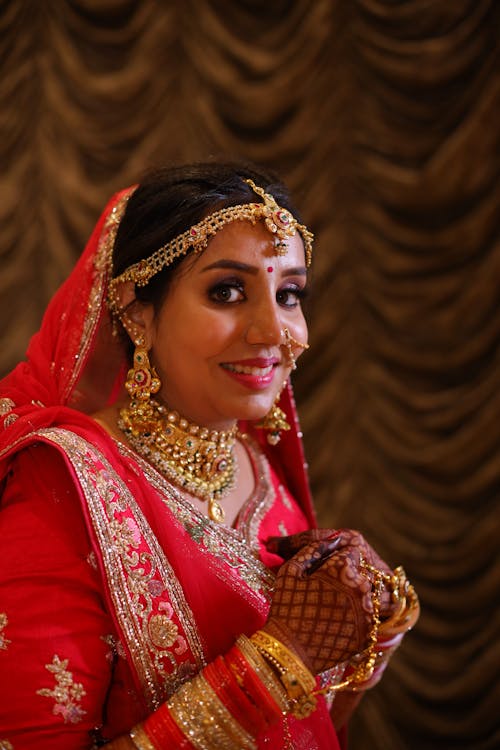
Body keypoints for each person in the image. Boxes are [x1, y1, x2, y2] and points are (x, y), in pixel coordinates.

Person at [0, 161, 419, 749]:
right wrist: (278, 662)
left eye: (290, 293)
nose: (274, 330)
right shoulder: (64, 486)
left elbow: (305, 723)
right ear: (136, 310)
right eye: (227, 291)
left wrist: (373, 624)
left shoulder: (257, 469)